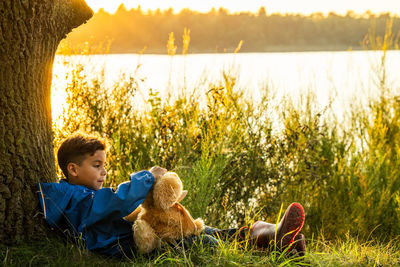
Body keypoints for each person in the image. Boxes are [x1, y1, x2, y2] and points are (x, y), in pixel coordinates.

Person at [37, 133, 306, 259]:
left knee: (201, 228)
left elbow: (115, 204)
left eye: (104, 165)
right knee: (205, 243)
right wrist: (147, 177)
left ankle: (271, 235)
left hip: (140, 238)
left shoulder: (83, 193)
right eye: (97, 166)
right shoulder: (71, 198)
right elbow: (114, 201)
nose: (104, 172)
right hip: (132, 248)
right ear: (73, 169)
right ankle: (273, 247)